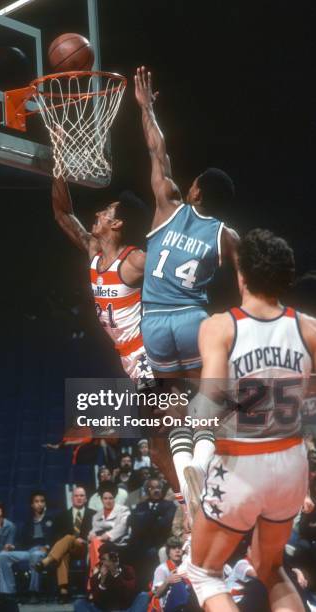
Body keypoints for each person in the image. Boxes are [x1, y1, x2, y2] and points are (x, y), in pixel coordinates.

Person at [186, 229, 316, 611]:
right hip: (292, 464)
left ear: (241, 275)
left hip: (243, 462)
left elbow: (209, 400)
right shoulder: (309, 328)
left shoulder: (220, 326)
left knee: (204, 572)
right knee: (269, 565)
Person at [134, 66, 240, 507]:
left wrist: (146, 108)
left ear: (195, 189)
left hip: (153, 322)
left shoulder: (168, 204)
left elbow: (157, 149)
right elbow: (249, 283)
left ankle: (183, 479)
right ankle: (201, 459)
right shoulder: (227, 235)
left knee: (173, 401)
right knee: (213, 400)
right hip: (192, 319)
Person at [52, 177, 153, 383]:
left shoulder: (133, 260)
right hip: (126, 354)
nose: (98, 213)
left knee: (162, 410)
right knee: (167, 409)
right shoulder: (94, 252)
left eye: (106, 211)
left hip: (145, 350)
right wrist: (58, 171)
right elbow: (62, 214)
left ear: (116, 223)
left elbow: (173, 264)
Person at [36, 486, 95, 603]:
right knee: (63, 553)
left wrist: (84, 540)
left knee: (68, 538)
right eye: (76, 496)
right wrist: (71, 540)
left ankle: (47, 561)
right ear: (72, 498)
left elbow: (96, 534)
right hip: (67, 549)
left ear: (86, 499)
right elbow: (55, 536)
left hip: (85, 548)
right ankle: (63, 591)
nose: (79, 498)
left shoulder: (94, 515)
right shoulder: (61, 516)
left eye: (82, 496)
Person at [0, 490, 53, 602]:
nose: (39, 504)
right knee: (3, 555)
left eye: (42, 501)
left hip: (45, 551)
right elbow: (22, 542)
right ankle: (9, 593)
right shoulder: (28, 522)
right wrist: (13, 547)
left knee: (36, 555)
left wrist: (47, 546)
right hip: (28, 551)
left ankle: (34, 592)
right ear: (32, 505)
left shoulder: (52, 519)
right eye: (36, 501)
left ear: (45, 503)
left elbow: (56, 538)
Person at [74, 542, 149, 612]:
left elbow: (128, 593)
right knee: (79, 603)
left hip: (124, 609)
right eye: (110, 558)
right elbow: (97, 600)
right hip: (104, 610)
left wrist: (116, 574)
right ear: (102, 560)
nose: (114, 560)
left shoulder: (127, 570)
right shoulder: (96, 576)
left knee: (143, 596)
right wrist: (102, 580)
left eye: (115, 557)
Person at [88, 482, 130, 578]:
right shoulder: (97, 515)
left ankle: (95, 573)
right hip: (100, 543)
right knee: (93, 542)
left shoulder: (123, 510)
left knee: (95, 543)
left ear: (114, 498)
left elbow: (122, 528)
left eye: (110, 498)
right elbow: (94, 529)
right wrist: (91, 534)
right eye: (105, 498)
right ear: (101, 500)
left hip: (118, 542)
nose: (108, 501)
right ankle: (97, 571)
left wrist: (107, 536)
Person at [150, 536, 195, 612]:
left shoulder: (185, 566)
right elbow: (157, 594)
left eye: (179, 548)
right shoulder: (162, 569)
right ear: (168, 552)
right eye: (174, 548)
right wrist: (167, 581)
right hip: (167, 606)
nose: (177, 551)